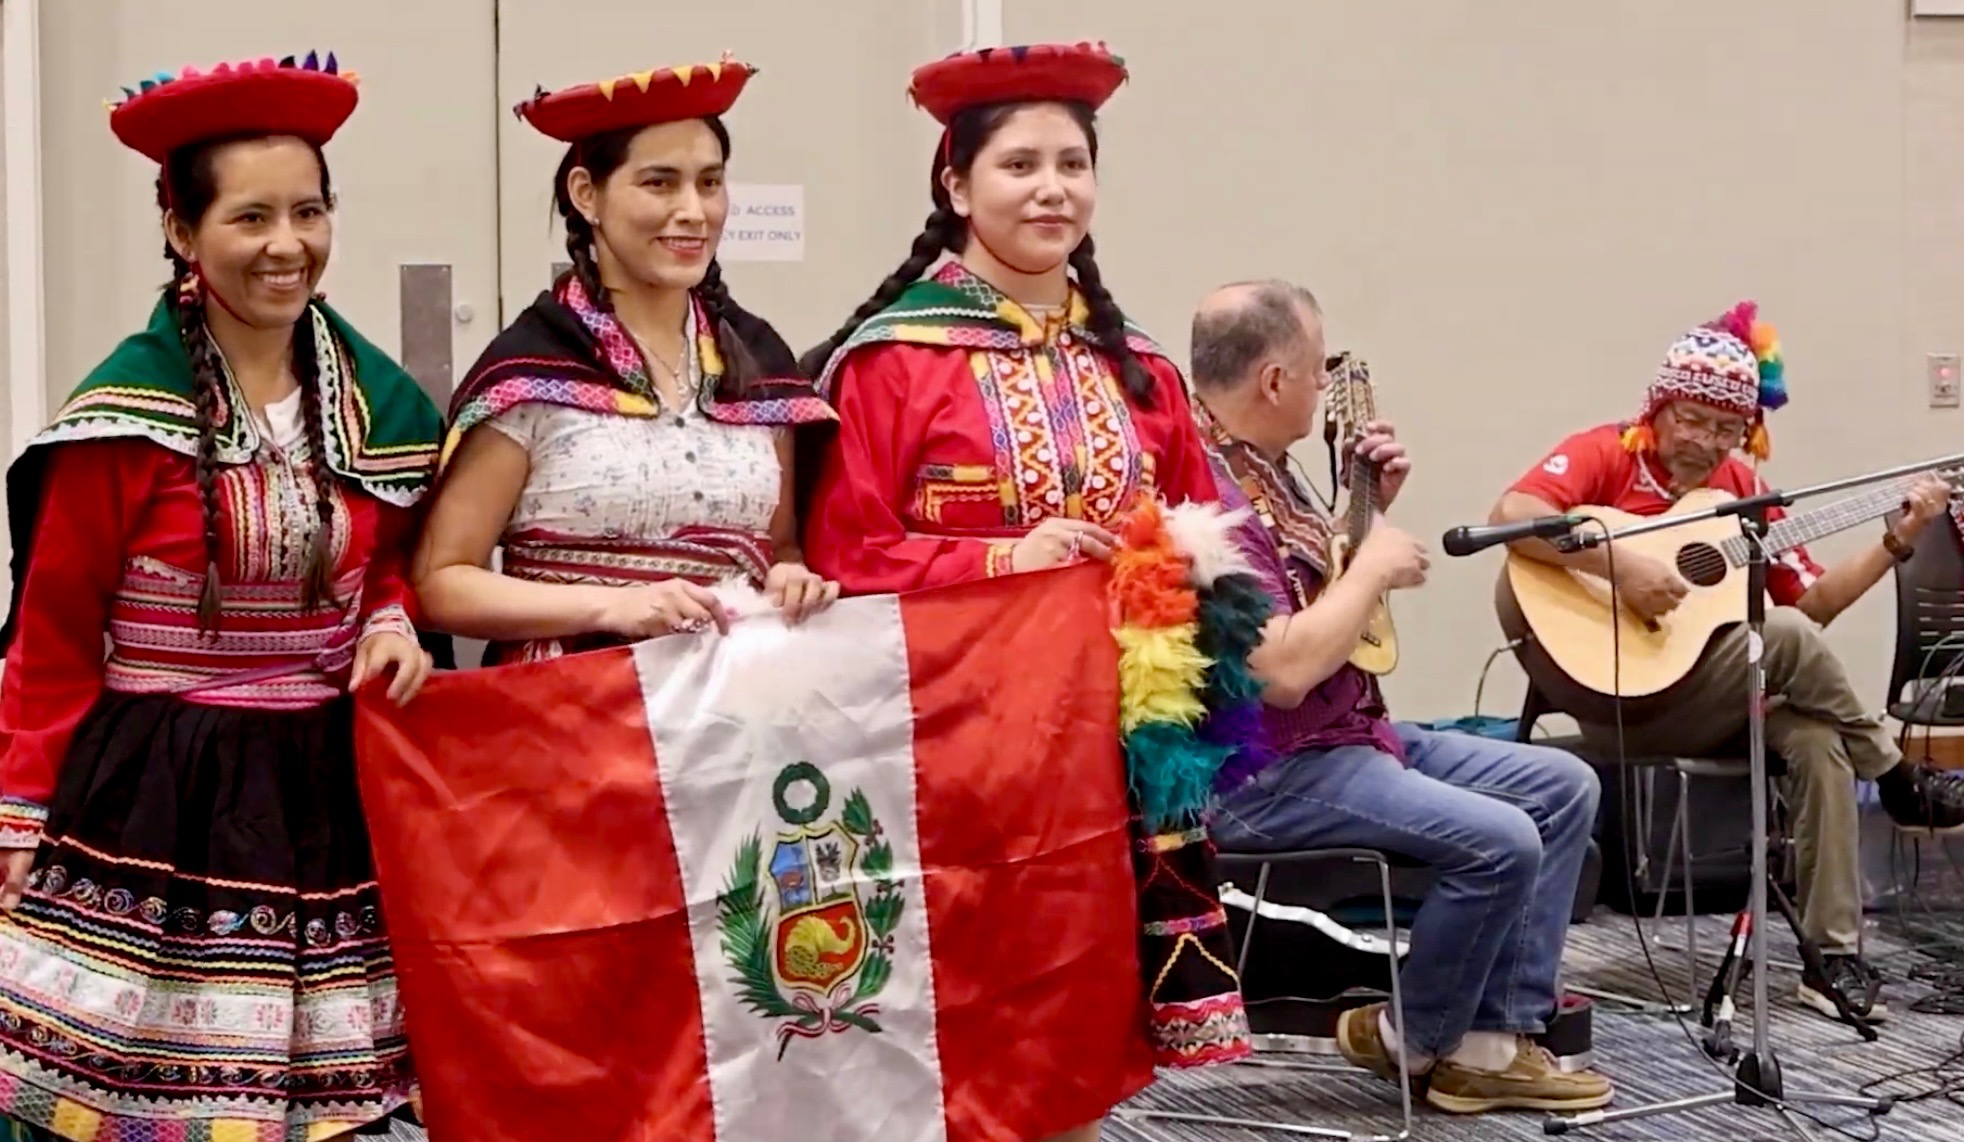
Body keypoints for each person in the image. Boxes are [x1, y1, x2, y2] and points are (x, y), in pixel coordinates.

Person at [798, 42, 1238, 1142]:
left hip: (1111, 747)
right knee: (952, 1012)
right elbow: (844, 556)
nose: (1052, 188)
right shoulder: (889, 363)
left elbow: (1204, 532)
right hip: (952, 745)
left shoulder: (1137, 367)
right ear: (954, 185)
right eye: (1018, 165)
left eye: (1073, 164)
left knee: (1079, 1013)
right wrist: (1002, 560)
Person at [0, 52, 442, 1140]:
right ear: (182, 231)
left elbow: (386, 559)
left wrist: (388, 620)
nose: (286, 245)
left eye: (308, 210)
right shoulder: (124, 421)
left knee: (340, 1100)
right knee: (134, 1097)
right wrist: (16, 819)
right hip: (159, 791)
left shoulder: (374, 402)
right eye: (250, 217)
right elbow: (52, 636)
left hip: (326, 787)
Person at [1188, 280, 1613, 1114]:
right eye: (1316, 369)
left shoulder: (1267, 470)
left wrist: (1367, 510)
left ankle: (1490, 1041)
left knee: (1566, 786)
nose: (1322, 388)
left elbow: (1321, 593)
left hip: (1343, 738)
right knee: (1501, 840)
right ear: (1274, 380)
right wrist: (1377, 560)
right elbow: (1280, 673)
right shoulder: (1204, 496)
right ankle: (1407, 1036)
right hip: (1264, 770)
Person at [1490, 300, 1964, 1023]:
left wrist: (1896, 541)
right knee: (1785, 642)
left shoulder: (1740, 493)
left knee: (1816, 737)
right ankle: (1897, 776)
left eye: (1726, 428)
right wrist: (1621, 570)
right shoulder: (1605, 453)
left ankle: (1830, 957)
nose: (1706, 441)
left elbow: (1813, 608)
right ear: (1660, 406)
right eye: (1692, 418)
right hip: (1616, 695)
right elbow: (1511, 517)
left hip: (1706, 696)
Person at [413, 56, 839, 661]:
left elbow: (782, 547)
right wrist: (610, 605)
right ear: (587, 194)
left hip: (730, 714)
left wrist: (791, 578)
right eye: (659, 183)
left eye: (710, 182)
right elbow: (440, 582)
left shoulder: (758, 365)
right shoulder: (534, 371)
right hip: (568, 713)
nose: (694, 209)